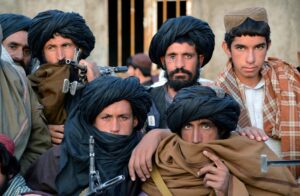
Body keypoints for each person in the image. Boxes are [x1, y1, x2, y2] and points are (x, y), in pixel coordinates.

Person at [141, 86, 300, 195]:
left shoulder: (249, 153)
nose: (196, 139)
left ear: (221, 129)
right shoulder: (158, 161)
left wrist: (228, 189)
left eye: (205, 126)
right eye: (188, 127)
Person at [25, 76, 152, 195]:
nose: (115, 128)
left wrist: (158, 135)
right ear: (92, 121)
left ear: (135, 121)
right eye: (106, 117)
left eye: (123, 118)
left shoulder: (146, 158)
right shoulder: (58, 159)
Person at [215, 7, 300, 178]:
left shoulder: (291, 81)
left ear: (268, 45)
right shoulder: (216, 94)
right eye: (241, 48)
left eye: (259, 47)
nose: (250, 59)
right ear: (227, 48)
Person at [27, 9, 99, 145]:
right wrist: (42, 132)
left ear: (80, 48)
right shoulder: (28, 87)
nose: (60, 56)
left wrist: (95, 85)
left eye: (66, 45)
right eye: (51, 47)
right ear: (42, 53)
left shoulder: (98, 79)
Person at [147, 15, 215, 129]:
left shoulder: (216, 99)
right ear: (163, 61)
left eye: (187, 56)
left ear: (200, 60)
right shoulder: (147, 100)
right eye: (172, 56)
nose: (179, 65)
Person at [0, 26, 52, 175]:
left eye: (27, 50)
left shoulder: (20, 82)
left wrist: (9, 175)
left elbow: (39, 145)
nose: (19, 56)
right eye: (12, 46)